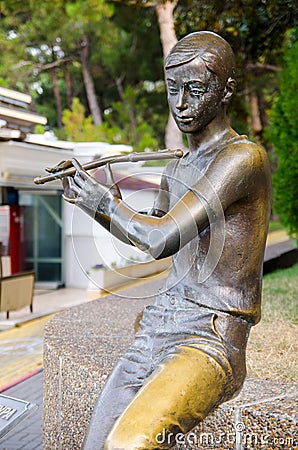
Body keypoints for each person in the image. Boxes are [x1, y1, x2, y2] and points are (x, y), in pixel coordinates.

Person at [52, 31, 271, 449]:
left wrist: (105, 202)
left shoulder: (242, 158)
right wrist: (91, 200)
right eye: (173, 90)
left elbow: (160, 239)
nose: (181, 105)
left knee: (128, 444)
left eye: (195, 89)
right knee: (96, 444)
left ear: (226, 92)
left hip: (207, 337)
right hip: (157, 326)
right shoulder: (179, 167)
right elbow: (149, 236)